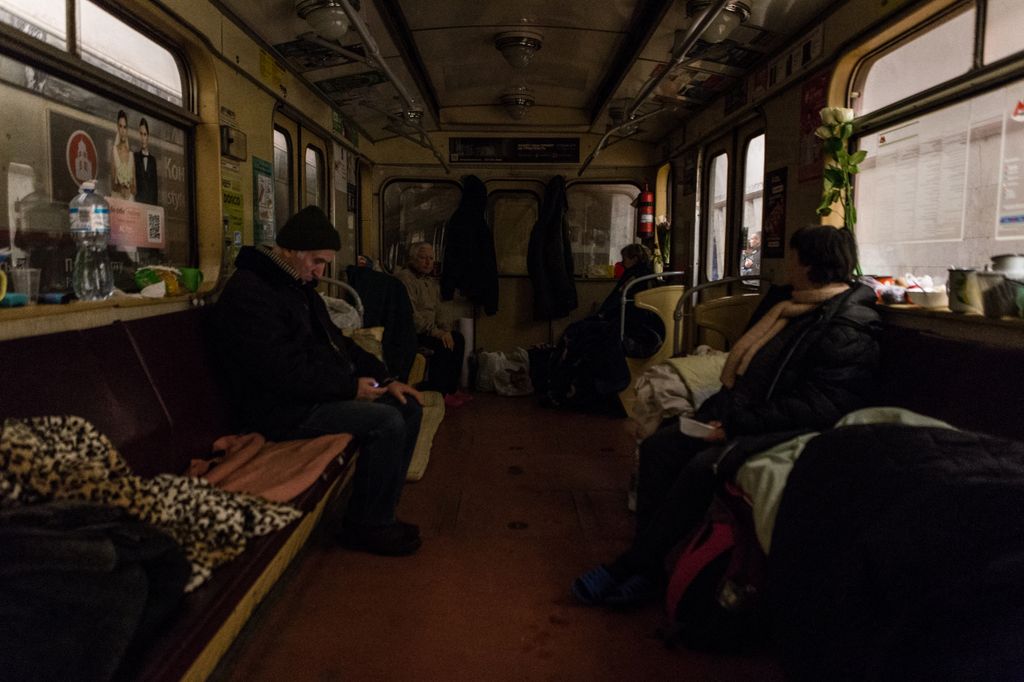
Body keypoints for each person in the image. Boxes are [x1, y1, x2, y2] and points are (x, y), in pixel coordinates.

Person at [572, 225, 880, 607]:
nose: (786, 264)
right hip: (746, 413)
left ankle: (633, 565)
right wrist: (715, 412)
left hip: (794, 429)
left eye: (793, 257)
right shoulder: (789, 304)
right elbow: (751, 376)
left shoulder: (846, 325)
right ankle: (649, 568)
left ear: (812, 265)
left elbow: (823, 406)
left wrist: (734, 426)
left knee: (704, 467)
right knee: (660, 446)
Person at [214, 206, 425, 556]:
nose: (320, 272)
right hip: (278, 410)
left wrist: (386, 377)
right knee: (386, 421)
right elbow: (281, 371)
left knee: (407, 405)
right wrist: (349, 388)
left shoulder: (296, 286)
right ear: (291, 251)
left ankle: (380, 509)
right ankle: (367, 525)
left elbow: (337, 343)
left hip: (309, 395)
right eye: (316, 261)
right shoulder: (251, 294)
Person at [395, 242, 469, 407]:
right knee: (442, 344)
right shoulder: (405, 279)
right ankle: (440, 392)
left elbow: (438, 310)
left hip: (430, 328)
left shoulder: (430, 281)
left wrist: (445, 329)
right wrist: (436, 332)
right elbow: (411, 315)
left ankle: (451, 388)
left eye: (431, 258)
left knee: (457, 338)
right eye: (423, 258)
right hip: (413, 331)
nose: (428, 263)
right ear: (412, 259)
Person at [110, 109, 136, 200]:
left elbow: (134, 187)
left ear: (127, 129)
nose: (122, 130)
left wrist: (129, 187)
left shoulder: (131, 154)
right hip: (118, 200)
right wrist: (122, 185)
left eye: (125, 127)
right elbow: (113, 184)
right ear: (117, 127)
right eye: (120, 126)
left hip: (129, 200)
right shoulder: (114, 151)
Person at [134, 117, 158, 205]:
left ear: (148, 136)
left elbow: (154, 188)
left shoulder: (152, 160)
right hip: (138, 204)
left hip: (150, 205)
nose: (143, 138)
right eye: (141, 134)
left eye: (145, 134)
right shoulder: (135, 157)